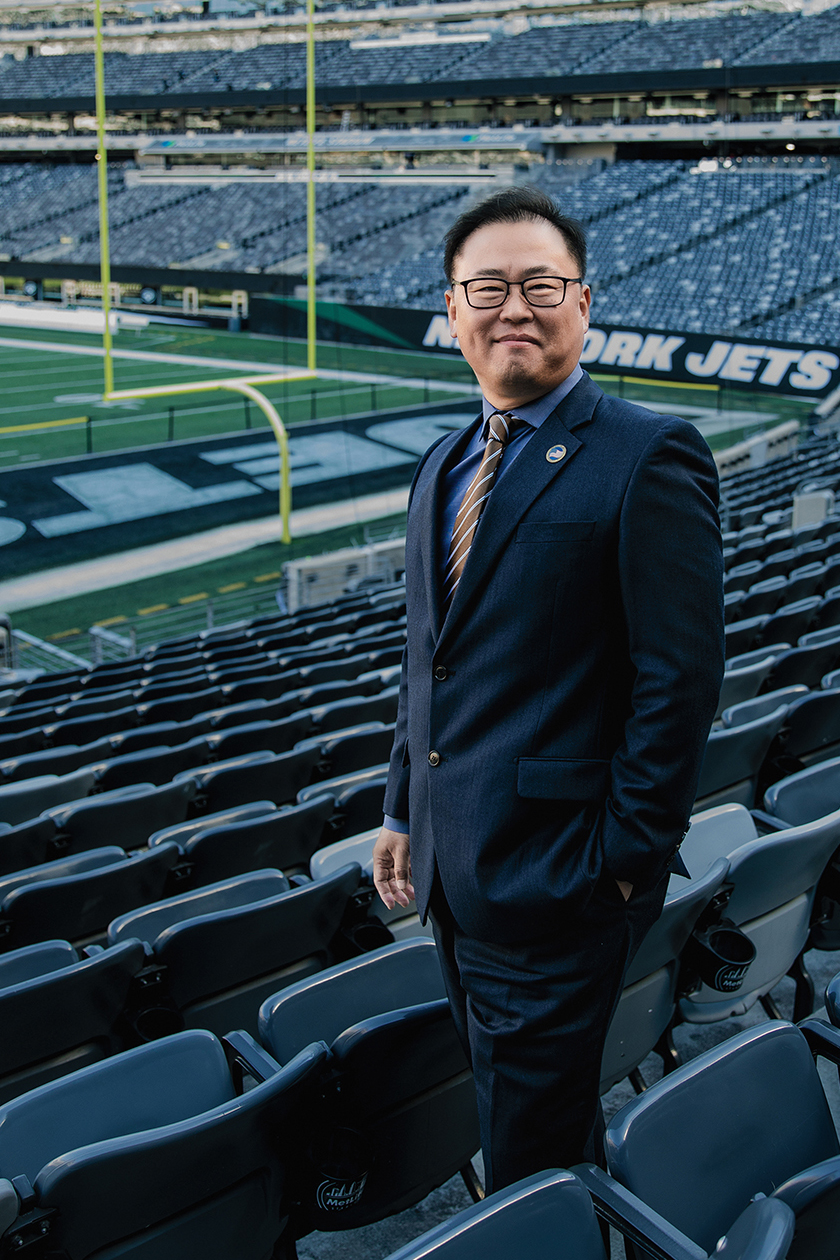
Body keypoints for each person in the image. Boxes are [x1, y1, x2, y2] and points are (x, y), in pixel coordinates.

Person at [372, 185, 724, 1193]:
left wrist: (619, 863)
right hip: (454, 870)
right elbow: (426, 656)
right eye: (487, 286)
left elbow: (681, 679)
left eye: (539, 284)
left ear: (583, 302)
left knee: (528, 1154)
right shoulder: (443, 463)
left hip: (559, 884)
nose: (511, 307)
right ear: (452, 310)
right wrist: (404, 805)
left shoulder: (648, 455)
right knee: (525, 1123)